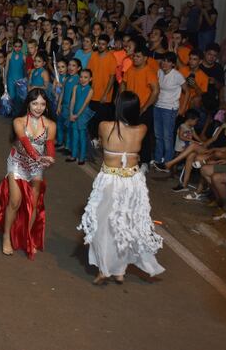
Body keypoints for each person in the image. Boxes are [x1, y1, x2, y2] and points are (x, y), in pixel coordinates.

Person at [77, 91, 165, 284]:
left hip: (110, 180)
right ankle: (120, 270)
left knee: (104, 225)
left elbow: (101, 142)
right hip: (133, 182)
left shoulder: (105, 126)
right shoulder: (141, 128)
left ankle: (105, 268)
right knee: (126, 225)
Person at [0, 88, 56, 259]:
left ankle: (27, 237)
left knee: (32, 204)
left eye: (42, 104)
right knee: (15, 201)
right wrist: (38, 158)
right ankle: (6, 236)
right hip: (18, 162)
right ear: (28, 104)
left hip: (37, 167)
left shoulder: (50, 125)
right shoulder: (18, 121)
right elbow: (25, 144)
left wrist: (50, 157)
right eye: (35, 103)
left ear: (46, 106)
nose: (38, 107)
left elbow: (50, 145)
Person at [152, 52, 186, 169]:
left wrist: (182, 108)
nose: (164, 63)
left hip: (170, 108)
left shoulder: (177, 75)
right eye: (164, 60)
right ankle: (157, 159)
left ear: (173, 64)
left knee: (167, 136)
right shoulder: (159, 72)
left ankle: (167, 163)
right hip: (158, 106)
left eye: (168, 61)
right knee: (158, 135)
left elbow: (187, 91)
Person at [68, 69, 95, 165]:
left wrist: (77, 115)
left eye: (86, 77)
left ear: (90, 79)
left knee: (82, 137)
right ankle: (73, 155)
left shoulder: (90, 90)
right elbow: (73, 100)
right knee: (74, 136)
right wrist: (71, 113)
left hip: (82, 115)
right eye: (81, 77)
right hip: (74, 113)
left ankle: (82, 157)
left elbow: (85, 103)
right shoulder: (76, 87)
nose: (83, 79)